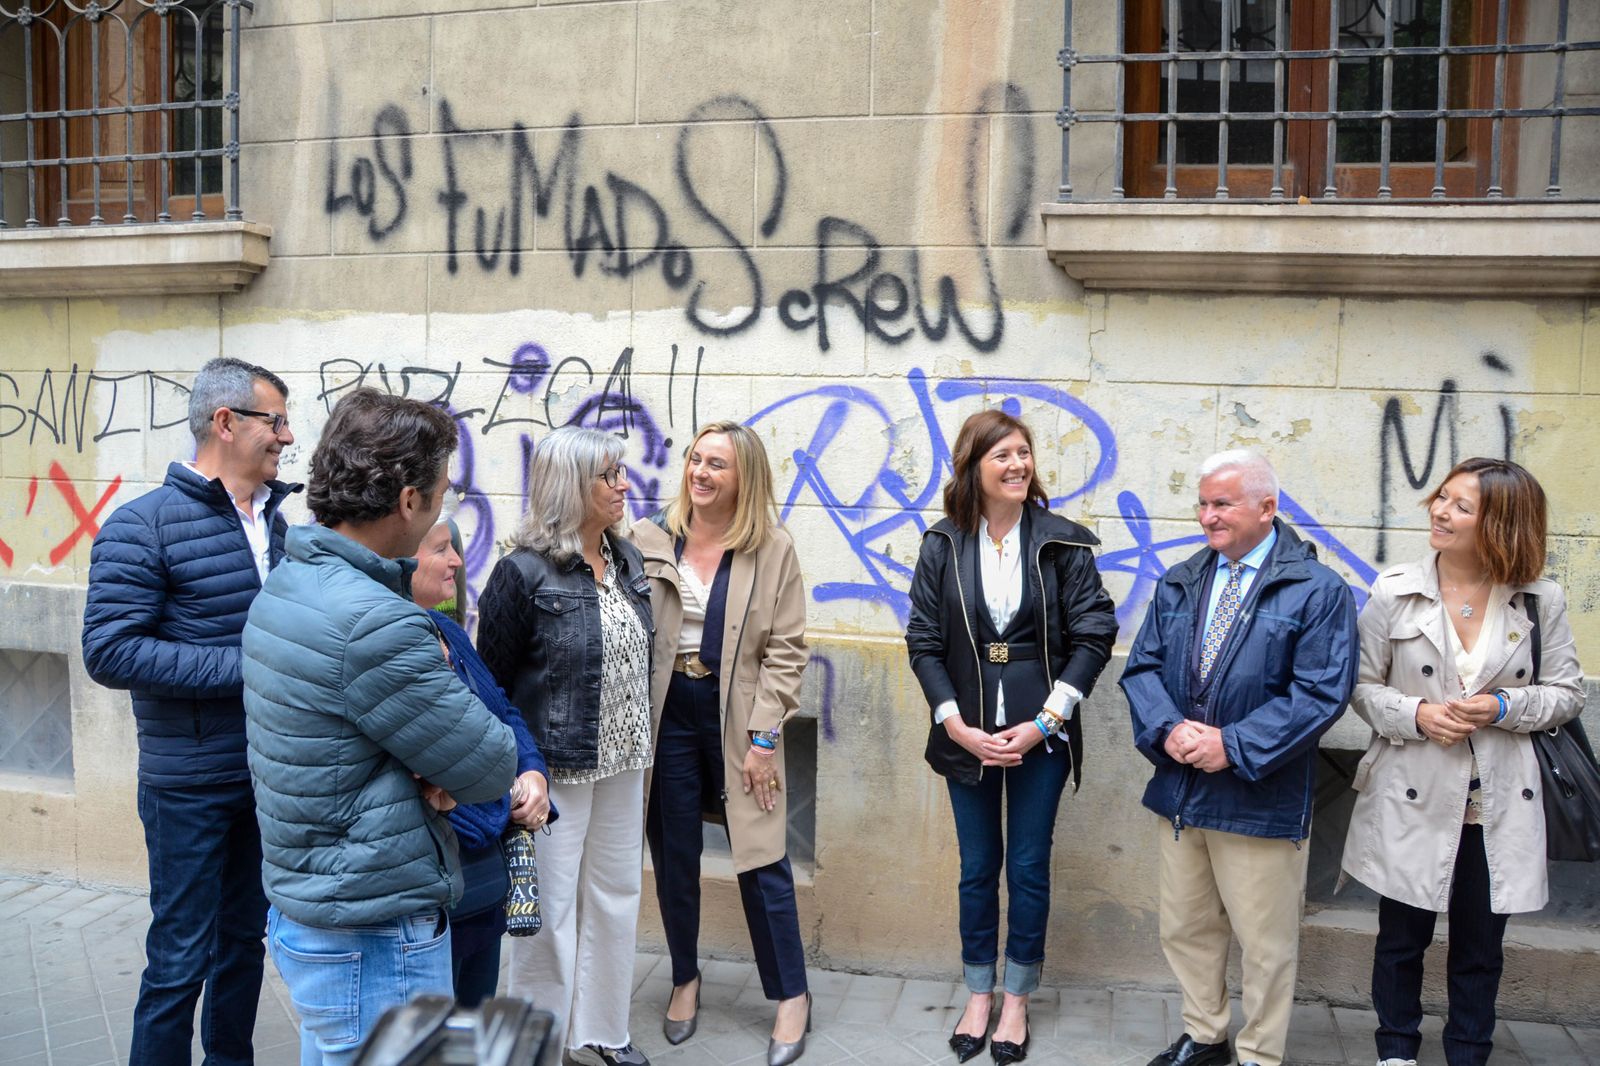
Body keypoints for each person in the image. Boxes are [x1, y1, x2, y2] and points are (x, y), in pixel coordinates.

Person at [241, 388, 517, 1065]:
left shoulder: (289, 583)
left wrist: (427, 767)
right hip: (373, 930)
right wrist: (436, 772)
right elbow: (489, 764)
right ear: (407, 501)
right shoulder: (376, 621)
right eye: (439, 492)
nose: (440, 515)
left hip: (321, 910)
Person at [82, 356, 298, 1066]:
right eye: (276, 421)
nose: (288, 438)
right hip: (189, 784)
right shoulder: (141, 526)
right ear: (226, 422)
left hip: (265, 775)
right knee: (180, 956)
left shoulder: (279, 522)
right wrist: (248, 667)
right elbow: (110, 651)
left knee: (244, 942)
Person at [1340, 458, 1585, 1066]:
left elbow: (1569, 693)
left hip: (1498, 800)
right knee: (1401, 938)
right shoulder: (1394, 590)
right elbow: (1362, 688)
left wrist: (1504, 704)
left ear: (1501, 524)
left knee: (1480, 945)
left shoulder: (1538, 599)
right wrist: (1418, 716)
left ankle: (1468, 1052)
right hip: (1412, 790)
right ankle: (1395, 1050)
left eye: (1461, 506)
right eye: (1441, 498)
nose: (1441, 512)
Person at [1121, 448, 1358, 1066]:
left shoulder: (1317, 589)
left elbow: (1321, 693)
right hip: (1183, 788)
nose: (1206, 516)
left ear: (1267, 507)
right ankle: (1205, 1038)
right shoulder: (1182, 579)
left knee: (1264, 943)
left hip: (1260, 792)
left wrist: (1232, 744)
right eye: (1201, 503)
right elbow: (1142, 666)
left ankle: (1259, 1055)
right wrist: (1167, 728)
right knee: (1186, 926)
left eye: (1221, 503)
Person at [906, 409, 1118, 1066]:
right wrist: (956, 724)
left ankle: (1018, 998)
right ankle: (977, 992)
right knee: (977, 870)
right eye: (1003, 456)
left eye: (1024, 453)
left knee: (1026, 868)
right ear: (974, 467)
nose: (1019, 465)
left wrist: (1046, 722)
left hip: (1040, 735)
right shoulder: (942, 543)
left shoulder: (1062, 543)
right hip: (965, 732)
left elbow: (1095, 634)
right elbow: (924, 640)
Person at [630, 421, 812, 1066]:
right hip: (666, 712)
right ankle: (684, 976)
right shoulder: (648, 537)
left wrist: (764, 739)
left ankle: (791, 993)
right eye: (695, 460)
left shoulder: (773, 548)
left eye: (718, 465)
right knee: (673, 850)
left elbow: (788, 651)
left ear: (745, 479)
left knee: (762, 854)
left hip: (740, 713)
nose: (701, 473)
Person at [476, 426, 655, 1066]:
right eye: (610, 475)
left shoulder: (628, 560)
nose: (623, 485)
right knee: (549, 914)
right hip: (553, 771)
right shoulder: (520, 574)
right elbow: (490, 684)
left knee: (615, 896)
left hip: (626, 760)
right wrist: (516, 770)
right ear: (572, 485)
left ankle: (601, 1031)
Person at [408, 515, 556, 1007]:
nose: (456, 560)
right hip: (436, 887)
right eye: (441, 549)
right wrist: (499, 805)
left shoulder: (447, 630)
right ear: (401, 557)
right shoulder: (393, 649)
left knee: (476, 1016)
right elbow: (436, 770)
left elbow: (505, 713)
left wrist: (533, 771)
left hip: (484, 886)